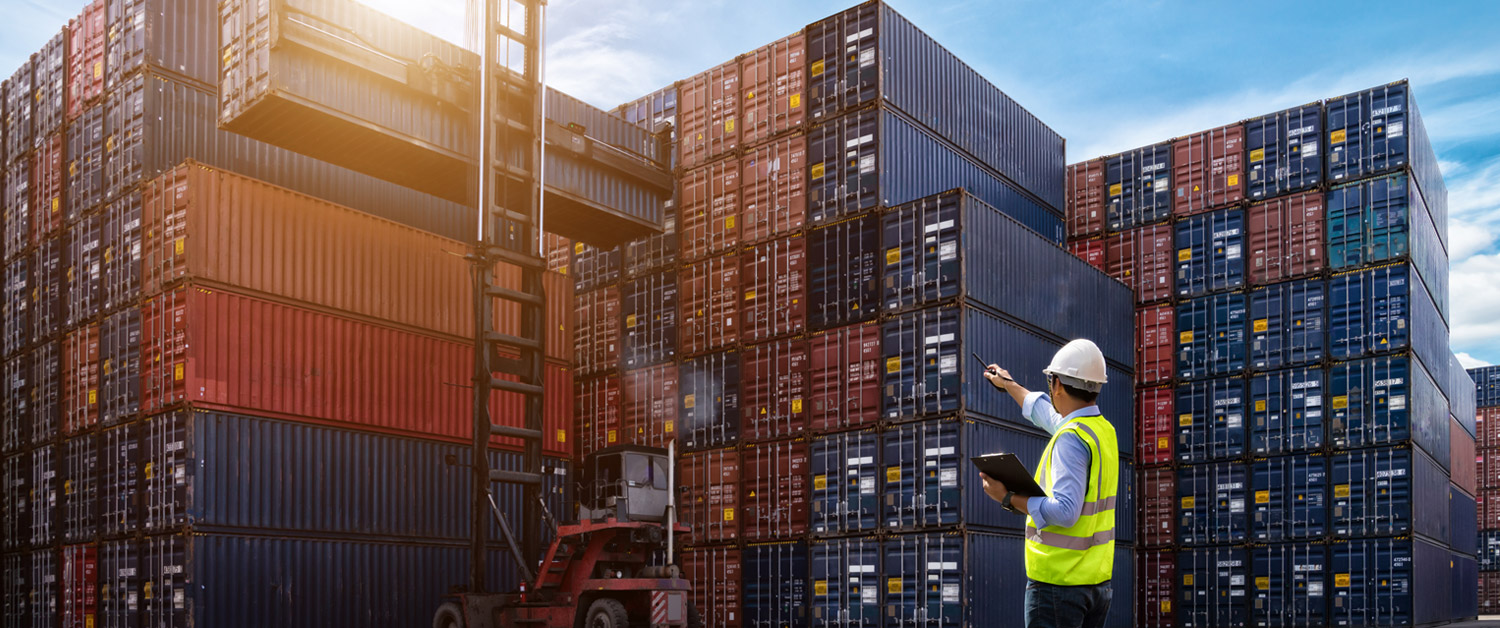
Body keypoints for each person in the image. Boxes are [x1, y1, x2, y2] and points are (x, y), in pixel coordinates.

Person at [980, 339, 1118, 628]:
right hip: (1094, 583)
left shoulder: (1071, 437)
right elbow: (1050, 417)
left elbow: (1066, 511)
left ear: (1056, 384)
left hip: (1059, 585)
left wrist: (1007, 498)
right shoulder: (1100, 431)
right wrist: (1009, 384)